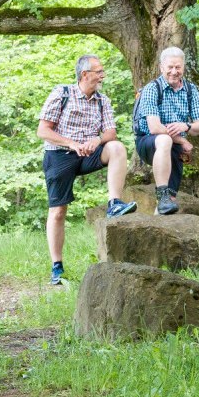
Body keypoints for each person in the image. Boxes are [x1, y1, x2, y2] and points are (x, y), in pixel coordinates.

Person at [37, 54, 136, 285]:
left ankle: (114, 204)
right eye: (99, 71)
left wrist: (97, 140)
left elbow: (110, 132)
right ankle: (57, 267)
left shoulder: (103, 100)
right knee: (58, 211)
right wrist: (71, 143)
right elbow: (43, 131)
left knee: (116, 147)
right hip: (59, 154)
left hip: (89, 153)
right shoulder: (62, 93)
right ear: (85, 74)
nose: (103, 75)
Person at [133, 47, 199, 215]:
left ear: (183, 68)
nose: (174, 71)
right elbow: (155, 128)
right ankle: (162, 193)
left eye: (178, 67)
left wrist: (186, 126)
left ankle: (164, 205)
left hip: (173, 148)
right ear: (161, 67)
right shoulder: (152, 89)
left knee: (169, 205)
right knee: (164, 139)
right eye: (170, 67)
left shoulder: (191, 90)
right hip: (148, 141)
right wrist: (182, 140)